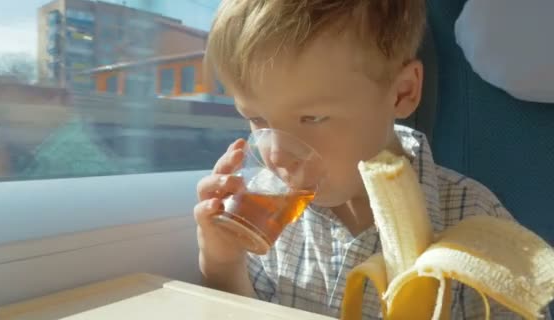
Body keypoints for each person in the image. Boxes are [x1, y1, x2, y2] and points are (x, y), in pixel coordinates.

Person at [193, 0, 551, 319]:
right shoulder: (271, 219)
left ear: (402, 93)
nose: (276, 156)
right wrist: (223, 262)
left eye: (313, 118)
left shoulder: (474, 218)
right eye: (257, 119)